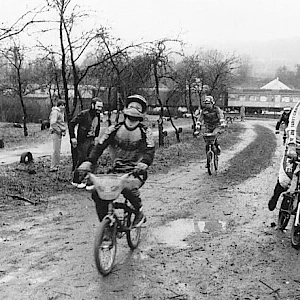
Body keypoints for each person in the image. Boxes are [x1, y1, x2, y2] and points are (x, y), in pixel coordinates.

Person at [77, 94, 155, 227]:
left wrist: (144, 163)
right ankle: (106, 225)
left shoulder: (145, 132)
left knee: (128, 188)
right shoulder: (114, 129)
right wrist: (89, 161)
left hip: (136, 171)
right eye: (131, 107)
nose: (133, 114)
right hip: (116, 170)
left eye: (137, 108)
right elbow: (99, 146)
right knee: (97, 192)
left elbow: (150, 150)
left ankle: (139, 212)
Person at [268, 102, 300, 211]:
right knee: (285, 179)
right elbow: (292, 125)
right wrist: (291, 145)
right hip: (297, 144)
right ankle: (276, 196)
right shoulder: (298, 108)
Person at [69, 97, 104, 189]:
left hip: (92, 140)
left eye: (101, 107)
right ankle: (76, 180)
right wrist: (73, 137)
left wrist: (96, 136)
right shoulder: (84, 114)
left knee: (93, 160)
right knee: (82, 160)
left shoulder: (98, 115)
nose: (100, 109)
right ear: (92, 105)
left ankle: (90, 182)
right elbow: (72, 123)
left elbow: (98, 126)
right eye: (98, 106)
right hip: (83, 141)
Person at [49, 99, 67, 172]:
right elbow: (53, 123)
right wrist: (59, 131)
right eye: (61, 105)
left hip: (59, 133)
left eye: (64, 105)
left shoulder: (60, 112)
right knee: (55, 150)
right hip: (56, 132)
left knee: (58, 150)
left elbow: (61, 123)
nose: (63, 107)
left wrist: (64, 130)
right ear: (58, 105)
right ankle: (53, 166)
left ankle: (56, 165)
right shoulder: (55, 112)